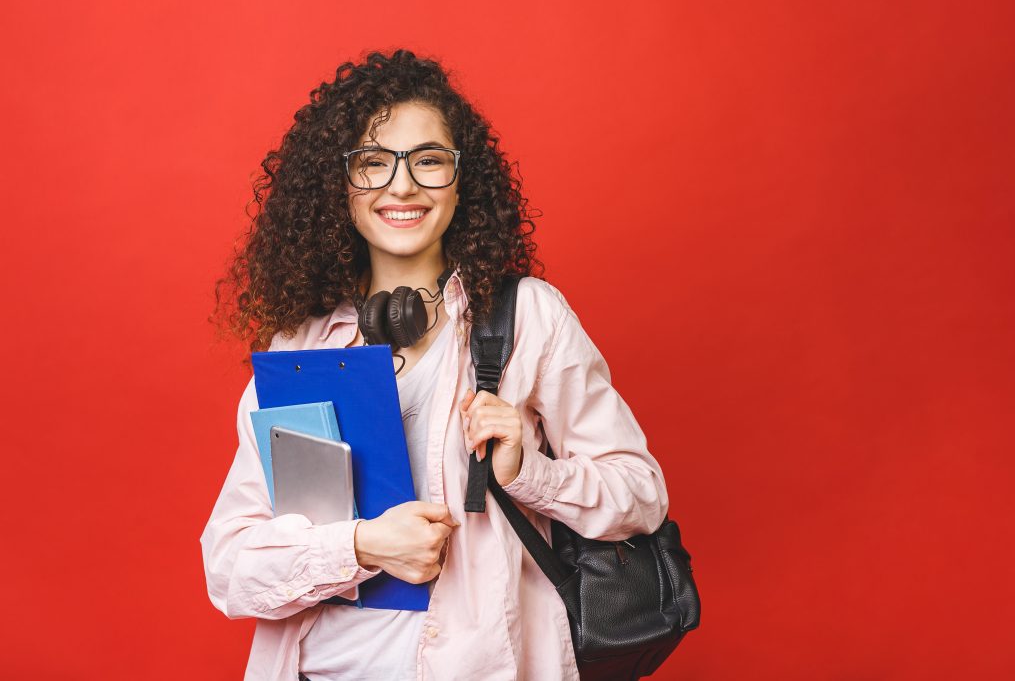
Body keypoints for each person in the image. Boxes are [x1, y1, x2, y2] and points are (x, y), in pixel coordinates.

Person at [201, 49, 670, 681]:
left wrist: (529, 471)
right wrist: (363, 546)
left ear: (461, 178)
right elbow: (229, 567)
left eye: (428, 160)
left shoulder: (529, 317)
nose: (402, 185)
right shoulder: (299, 349)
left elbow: (641, 495)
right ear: (337, 187)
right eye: (373, 162)